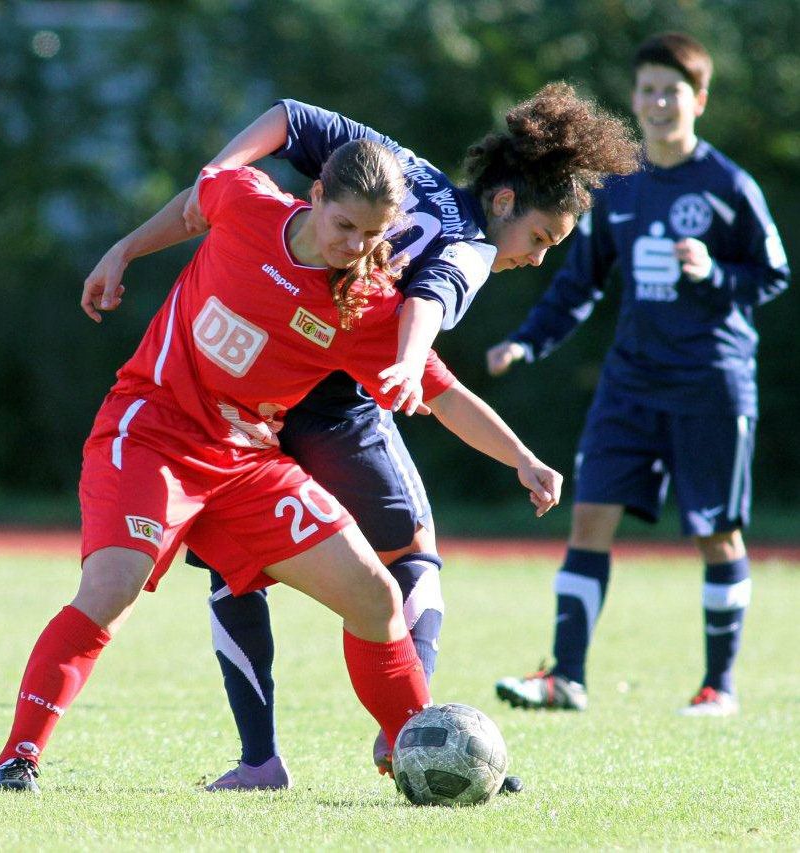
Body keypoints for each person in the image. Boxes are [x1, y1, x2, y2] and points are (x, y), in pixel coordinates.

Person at [82, 83, 640, 789]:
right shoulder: (470, 242)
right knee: (411, 554)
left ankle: (260, 760)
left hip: (249, 406)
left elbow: (288, 118)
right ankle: (413, 732)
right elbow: (433, 300)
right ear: (502, 201)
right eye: (540, 238)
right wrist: (408, 360)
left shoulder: (403, 171)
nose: (534, 257)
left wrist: (210, 177)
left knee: (233, 569)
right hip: (334, 405)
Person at [0, 140, 563, 793]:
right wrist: (122, 250)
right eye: (344, 225)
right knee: (111, 586)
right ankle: (17, 758)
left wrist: (522, 457)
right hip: (150, 430)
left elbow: (441, 389)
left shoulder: (363, 301)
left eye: (373, 234)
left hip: (245, 460)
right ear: (314, 197)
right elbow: (192, 207)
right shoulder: (248, 202)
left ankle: (416, 753)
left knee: (373, 596)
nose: (354, 245)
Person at [489, 33, 790, 716]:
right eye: (648, 89)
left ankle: (719, 686)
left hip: (709, 382)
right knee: (588, 514)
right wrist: (526, 342)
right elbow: (577, 284)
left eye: (672, 90)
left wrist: (711, 273)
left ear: (698, 100)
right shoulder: (617, 191)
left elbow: (772, 274)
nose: (658, 102)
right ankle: (564, 677)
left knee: (715, 530)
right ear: (633, 99)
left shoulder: (727, 187)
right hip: (629, 383)